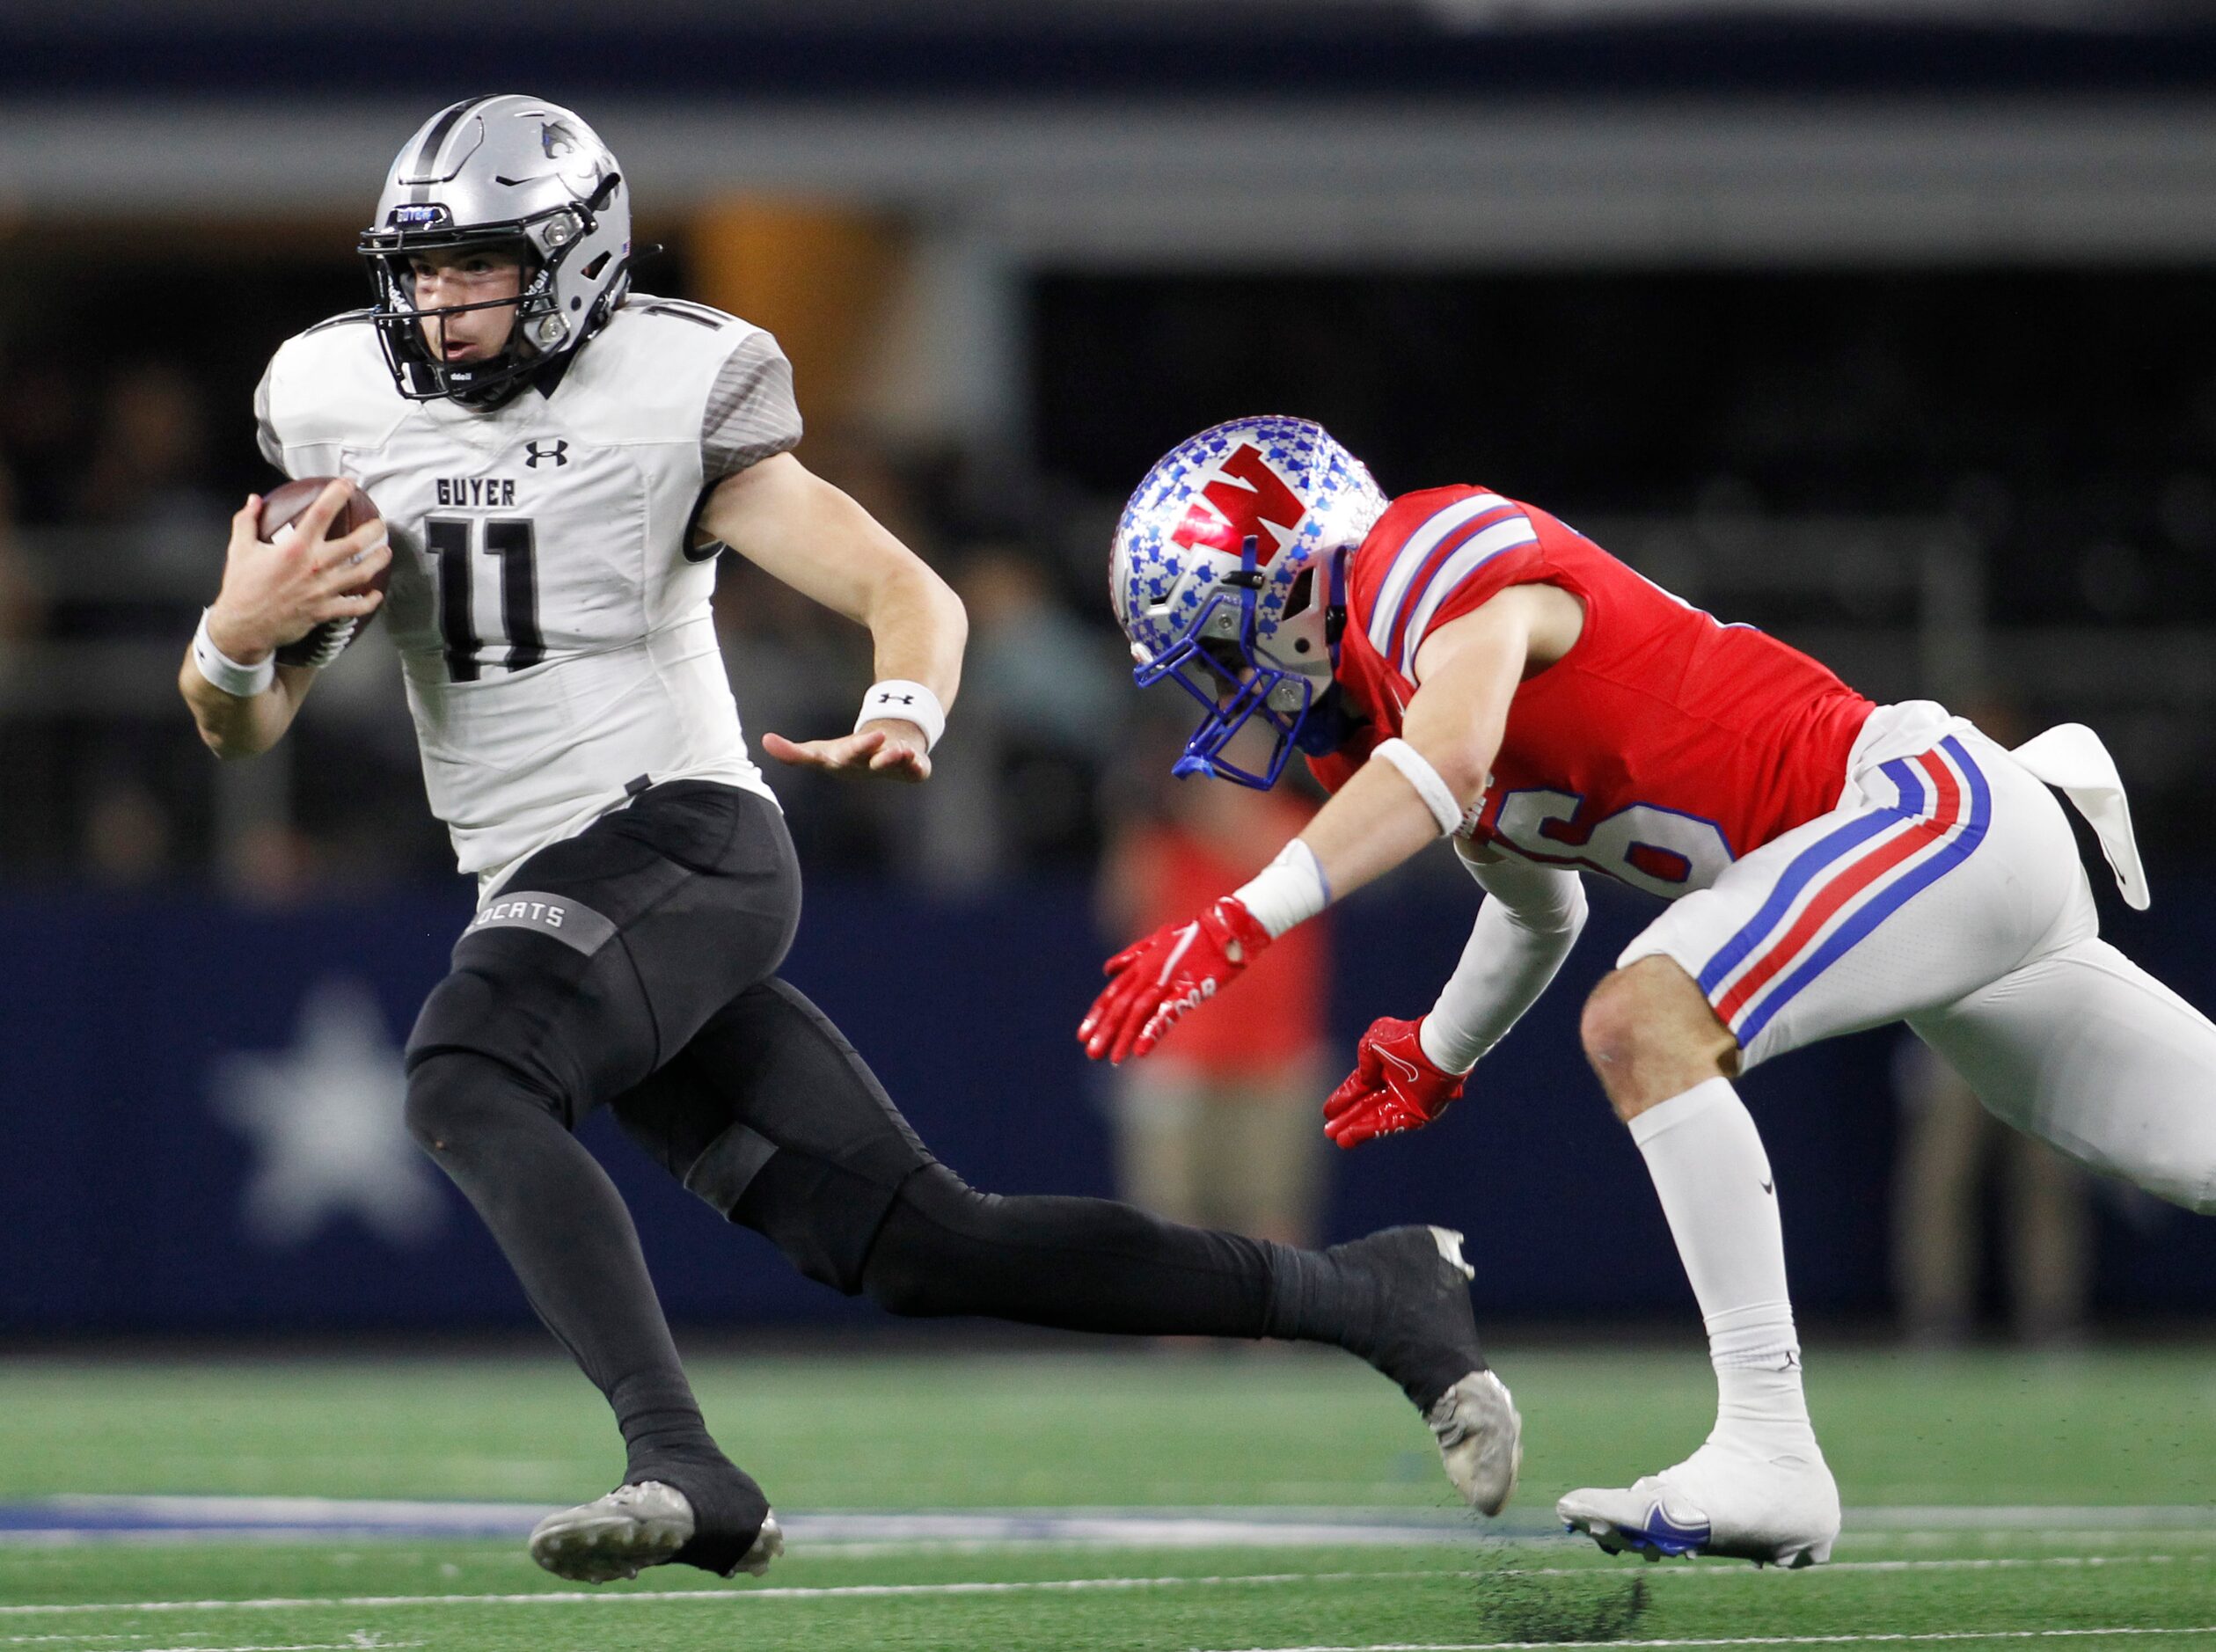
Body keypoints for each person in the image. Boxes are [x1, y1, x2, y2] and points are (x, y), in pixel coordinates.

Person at [177, 100, 1516, 1589]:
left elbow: (910, 593)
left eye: (475, 269)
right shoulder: (336, 398)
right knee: (926, 1239)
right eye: (418, 272)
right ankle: (1370, 1291)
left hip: (683, 840)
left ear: (570, 262)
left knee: (468, 1071)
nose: (436, 303)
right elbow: (241, 724)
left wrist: (904, 705)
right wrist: (236, 640)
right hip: (556, 891)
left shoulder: (673, 385)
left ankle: (681, 1460)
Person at [1080, 414, 2216, 1569]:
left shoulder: (1425, 554)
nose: (1231, 691)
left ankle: (1771, 1448)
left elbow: (1449, 767)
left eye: (1225, 645)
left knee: (1647, 1015)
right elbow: (1539, 905)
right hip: (1949, 865)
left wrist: (1240, 916)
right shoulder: (1391, 700)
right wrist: (1441, 1046)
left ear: (1292, 587)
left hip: (1925, 806)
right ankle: (1768, 1454)